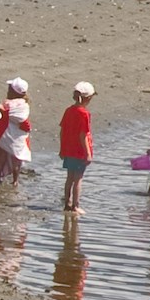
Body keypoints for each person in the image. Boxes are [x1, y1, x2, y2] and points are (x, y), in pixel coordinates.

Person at [0, 77, 32, 185]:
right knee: (16, 159)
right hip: (17, 137)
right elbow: (24, 122)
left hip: (5, 135)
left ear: (13, 92)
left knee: (1, 158)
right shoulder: (24, 106)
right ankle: (15, 181)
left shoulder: (7, 104)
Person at [59, 81, 95, 213]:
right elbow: (83, 135)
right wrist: (88, 153)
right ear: (89, 98)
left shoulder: (69, 110)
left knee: (69, 177)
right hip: (79, 151)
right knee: (78, 178)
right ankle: (76, 206)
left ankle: (67, 203)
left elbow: (62, 131)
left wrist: (62, 148)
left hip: (68, 149)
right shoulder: (84, 113)